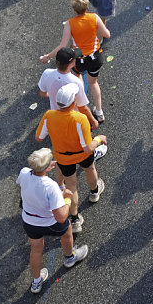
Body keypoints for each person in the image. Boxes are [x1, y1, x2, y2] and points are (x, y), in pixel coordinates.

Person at [17, 148, 89, 295]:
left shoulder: (24, 173)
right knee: (67, 230)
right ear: (46, 167)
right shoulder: (50, 186)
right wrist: (67, 198)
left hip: (30, 221)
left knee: (36, 249)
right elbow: (61, 216)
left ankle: (36, 282)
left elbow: (27, 185)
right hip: (49, 222)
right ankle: (70, 257)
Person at [35, 82, 107, 228]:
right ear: (73, 102)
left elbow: (39, 137)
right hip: (82, 155)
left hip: (62, 157)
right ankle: (94, 192)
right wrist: (99, 139)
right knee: (90, 169)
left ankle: (75, 220)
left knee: (71, 186)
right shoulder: (79, 118)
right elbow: (87, 148)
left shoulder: (49, 115)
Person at [40, 0, 109, 122]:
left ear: (74, 9)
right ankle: (99, 112)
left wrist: (48, 56)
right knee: (93, 83)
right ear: (87, 6)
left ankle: (80, 109)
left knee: (78, 82)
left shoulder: (70, 24)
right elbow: (107, 34)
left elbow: (63, 45)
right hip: (96, 57)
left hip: (79, 59)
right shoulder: (94, 17)